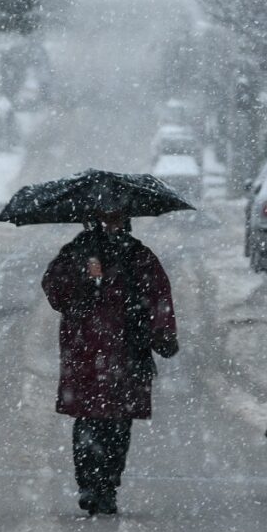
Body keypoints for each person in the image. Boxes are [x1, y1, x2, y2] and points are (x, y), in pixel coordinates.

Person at [42, 211, 178, 515]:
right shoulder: (76, 253)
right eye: (105, 219)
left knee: (118, 422)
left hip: (127, 352)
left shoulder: (138, 255)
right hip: (87, 352)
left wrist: (162, 332)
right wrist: (83, 277)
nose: (110, 226)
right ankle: (90, 484)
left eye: (116, 219)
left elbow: (158, 295)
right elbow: (55, 291)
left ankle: (108, 484)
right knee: (90, 419)